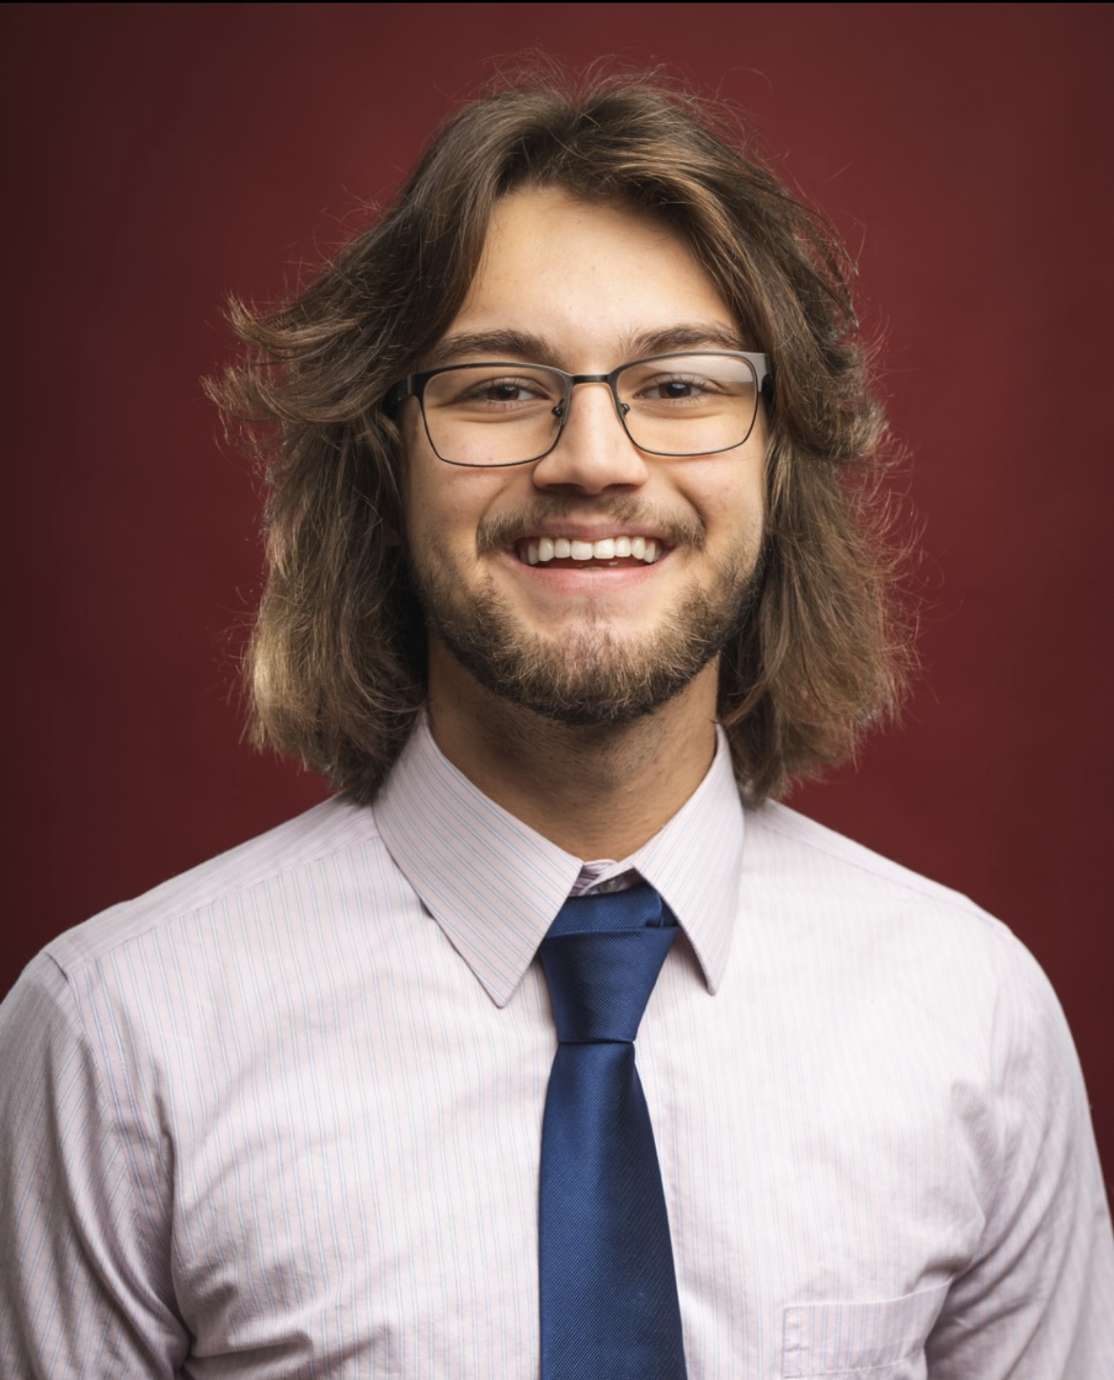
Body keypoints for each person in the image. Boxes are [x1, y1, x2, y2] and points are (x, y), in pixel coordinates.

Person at [2, 61, 1112, 1380]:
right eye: (496, 386)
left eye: (682, 384)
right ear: (382, 460)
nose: (591, 457)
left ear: (781, 457)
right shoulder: (119, 1037)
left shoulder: (968, 1014)